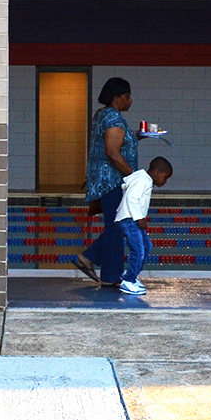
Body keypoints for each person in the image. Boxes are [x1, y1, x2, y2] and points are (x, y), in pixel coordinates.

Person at [73, 76, 137, 288]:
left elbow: (115, 140)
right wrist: (133, 176)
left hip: (104, 180)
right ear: (117, 97)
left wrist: (138, 136)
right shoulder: (114, 119)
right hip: (111, 181)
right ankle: (105, 272)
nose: (131, 100)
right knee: (116, 226)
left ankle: (97, 264)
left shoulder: (103, 114)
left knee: (116, 226)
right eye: (127, 97)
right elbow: (112, 152)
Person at [115, 156, 172, 296]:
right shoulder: (143, 180)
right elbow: (131, 198)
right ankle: (128, 281)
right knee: (139, 250)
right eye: (165, 178)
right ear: (157, 172)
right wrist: (140, 218)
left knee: (146, 247)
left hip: (132, 219)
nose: (165, 182)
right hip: (130, 219)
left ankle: (131, 277)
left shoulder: (144, 179)